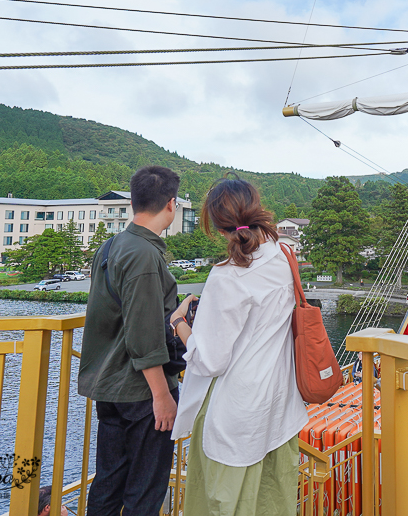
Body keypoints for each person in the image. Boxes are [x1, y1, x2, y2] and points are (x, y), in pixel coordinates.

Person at [169, 176, 308, 516]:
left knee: (223, 504)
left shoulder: (228, 275)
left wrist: (179, 324)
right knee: (273, 503)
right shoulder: (283, 255)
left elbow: (211, 360)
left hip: (236, 415)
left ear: (217, 226)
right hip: (279, 406)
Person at [78, 165, 184, 516]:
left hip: (110, 385)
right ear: (171, 204)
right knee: (145, 490)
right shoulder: (143, 254)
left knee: (109, 482)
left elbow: (114, 314)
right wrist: (162, 396)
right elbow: (143, 333)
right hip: (141, 392)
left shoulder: (111, 246)